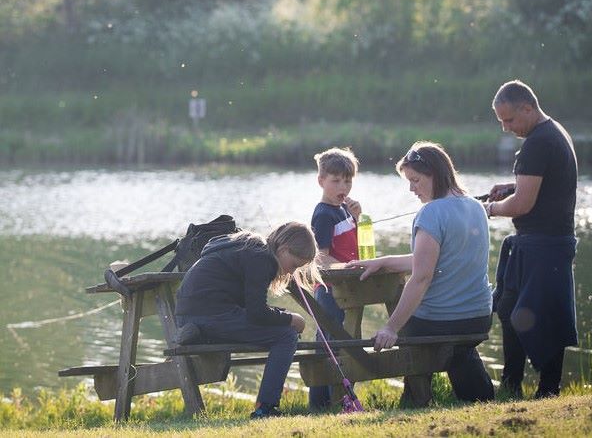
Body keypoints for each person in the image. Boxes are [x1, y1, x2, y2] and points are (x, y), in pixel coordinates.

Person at [348, 141, 494, 407]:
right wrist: (384, 262)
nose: (411, 189)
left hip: (440, 322)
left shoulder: (431, 212)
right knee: (457, 349)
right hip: (479, 318)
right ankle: (476, 392)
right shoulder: (476, 207)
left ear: (434, 174)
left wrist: (391, 327)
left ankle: (416, 398)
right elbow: (436, 260)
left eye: (415, 180)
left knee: (406, 321)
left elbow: (422, 276)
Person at [485, 79, 578, 399]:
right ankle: (513, 384)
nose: (505, 128)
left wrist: (490, 208)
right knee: (511, 309)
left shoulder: (538, 143)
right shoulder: (553, 132)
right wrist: (512, 187)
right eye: (501, 122)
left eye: (509, 120)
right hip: (548, 243)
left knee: (543, 317)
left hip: (543, 245)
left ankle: (545, 389)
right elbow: (542, 186)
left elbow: (523, 205)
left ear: (527, 107)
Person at [174, 222, 321, 419]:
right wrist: (290, 319)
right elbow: (256, 314)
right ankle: (265, 408)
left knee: (284, 328)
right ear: (284, 249)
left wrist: (283, 315)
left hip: (192, 314)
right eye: (294, 265)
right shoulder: (262, 258)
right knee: (286, 335)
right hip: (212, 314)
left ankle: (202, 334)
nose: (291, 273)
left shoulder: (250, 248)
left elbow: (252, 307)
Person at [308, 147, 362, 410]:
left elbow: (353, 244)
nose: (344, 186)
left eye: (348, 181)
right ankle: (321, 402)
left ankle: (338, 398)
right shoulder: (323, 214)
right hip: (329, 290)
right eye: (336, 181)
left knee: (342, 339)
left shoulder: (344, 210)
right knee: (329, 344)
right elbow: (321, 258)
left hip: (346, 287)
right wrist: (345, 268)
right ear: (321, 181)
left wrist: (357, 217)